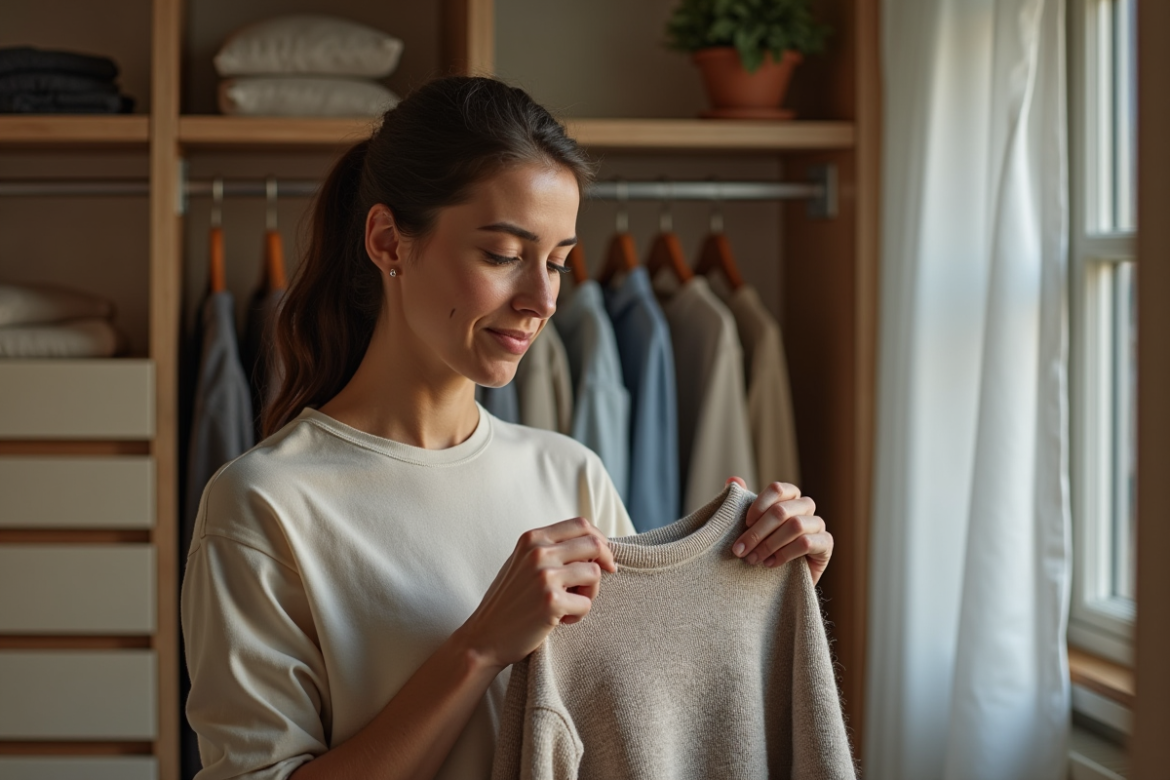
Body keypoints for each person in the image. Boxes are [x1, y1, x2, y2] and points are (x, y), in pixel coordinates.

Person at [180, 76, 833, 780]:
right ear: (388, 242)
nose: (542, 299)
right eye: (502, 255)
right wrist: (480, 647)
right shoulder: (263, 502)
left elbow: (645, 723)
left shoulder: (571, 473)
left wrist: (763, 585)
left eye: (557, 262)